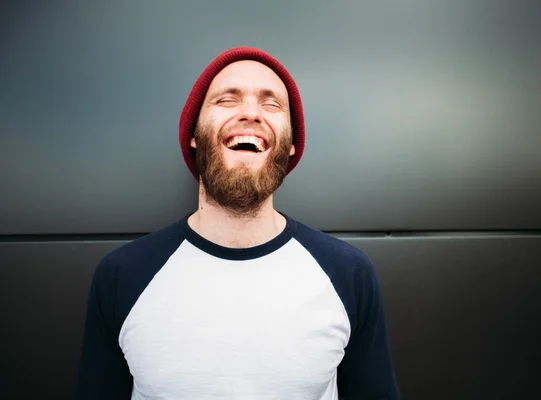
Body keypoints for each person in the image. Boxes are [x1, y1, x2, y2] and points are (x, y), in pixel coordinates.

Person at [74, 46, 401, 400]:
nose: (250, 113)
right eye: (227, 100)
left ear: (291, 145)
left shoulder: (349, 273)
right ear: (194, 136)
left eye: (271, 103)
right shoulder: (122, 276)